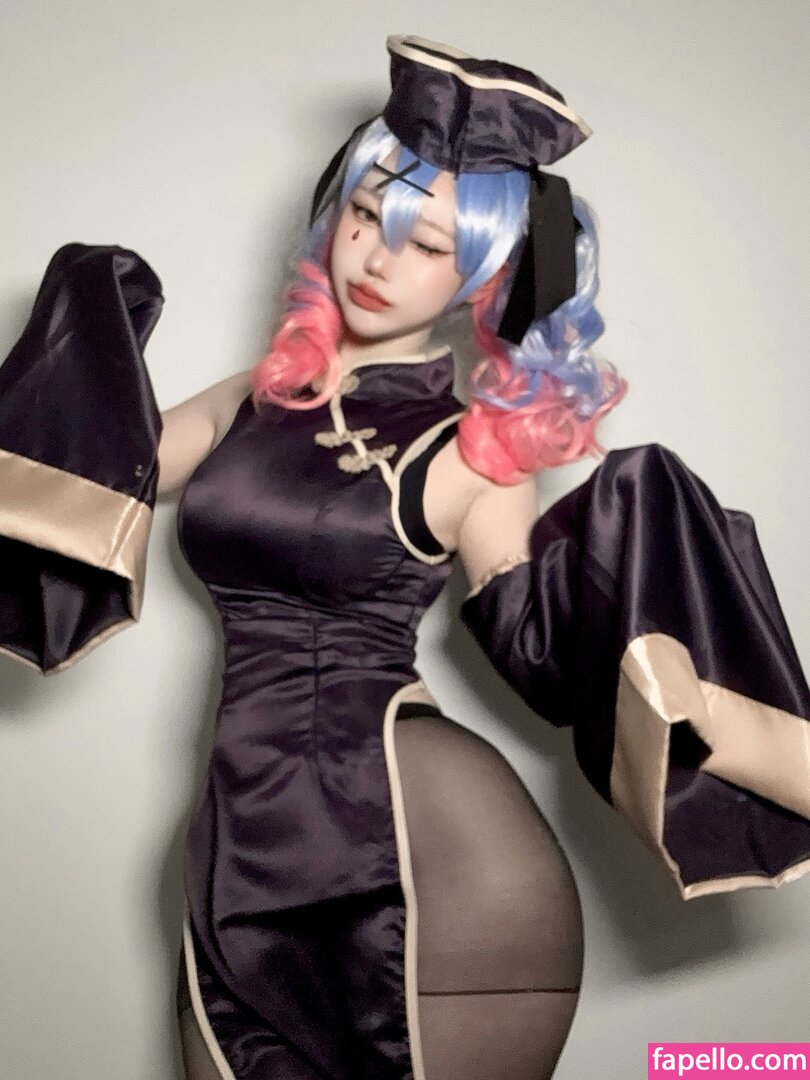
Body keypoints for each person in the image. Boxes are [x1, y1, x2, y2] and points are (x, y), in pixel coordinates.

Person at [1, 34, 808, 1080]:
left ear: (487, 277)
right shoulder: (256, 398)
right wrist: (86, 312)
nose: (379, 259)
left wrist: (664, 629)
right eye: (368, 213)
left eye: (430, 245)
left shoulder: (474, 448)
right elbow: (99, 480)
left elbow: (538, 652)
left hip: (429, 846)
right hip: (246, 830)